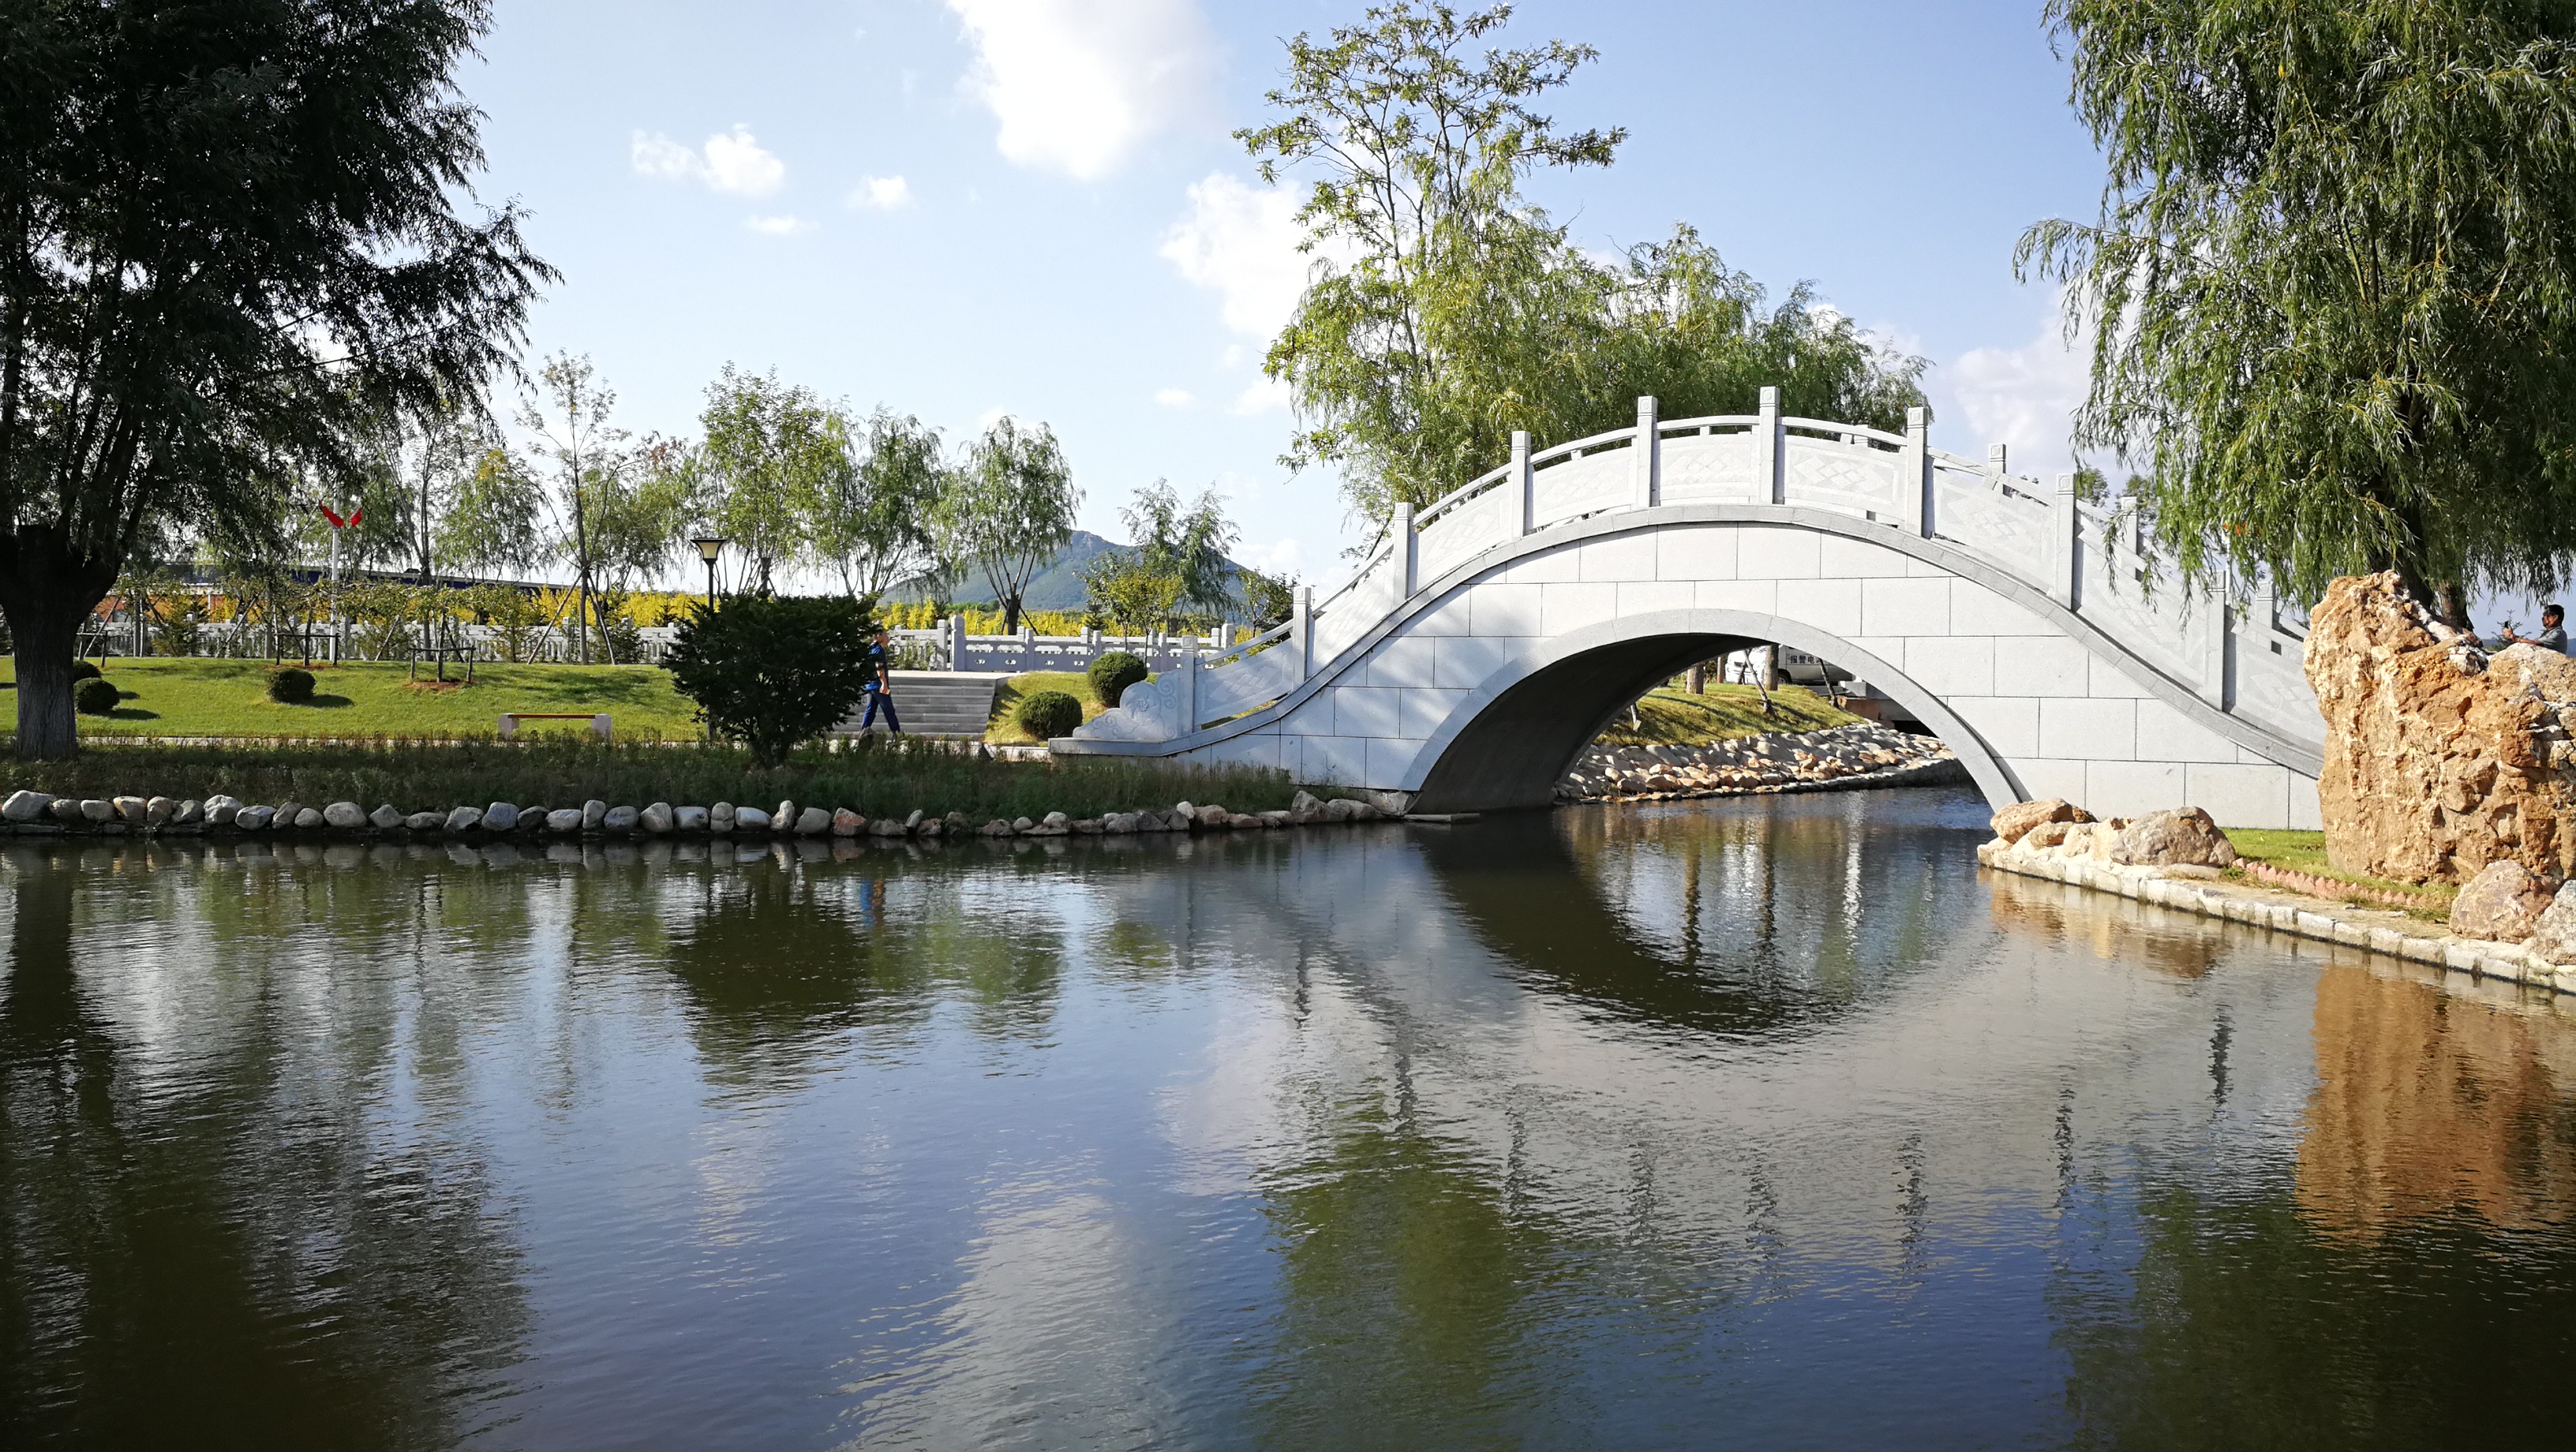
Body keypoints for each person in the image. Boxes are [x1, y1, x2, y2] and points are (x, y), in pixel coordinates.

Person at [859, 627, 902, 733]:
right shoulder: (879, 650)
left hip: (871, 685)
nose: (888, 639)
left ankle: (864, 731)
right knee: (889, 710)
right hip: (879, 685)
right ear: (879, 637)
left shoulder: (871, 649)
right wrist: (884, 684)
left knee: (870, 710)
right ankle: (896, 733)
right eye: (886, 636)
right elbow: (879, 667)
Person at [2499, 604, 2569, 655]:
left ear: (2555, 618)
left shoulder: (2558, 633)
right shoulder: (2549, 633)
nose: (2543, 618)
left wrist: (2516, 639)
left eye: (2546, 614)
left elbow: (2536, 644)